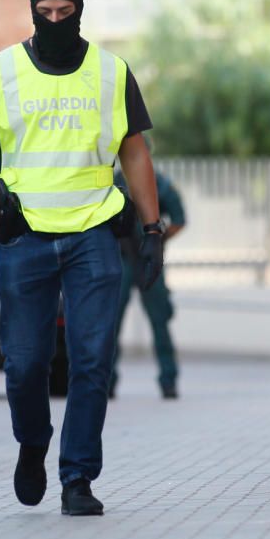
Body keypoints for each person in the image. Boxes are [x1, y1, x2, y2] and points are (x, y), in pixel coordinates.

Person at [0, 0, 162, 516]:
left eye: (64, 13)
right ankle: (33, 441)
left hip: (94, 233)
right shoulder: (0, 72)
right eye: (44, 14)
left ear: (79, 10)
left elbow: (135, 152)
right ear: (32, 11)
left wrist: (152, 228)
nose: (54, 22)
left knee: (92, 360)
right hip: (25, 238)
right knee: (25, 363)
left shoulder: (111, 72)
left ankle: (78, 477)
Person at [110, 167, 186, 399]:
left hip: (145, 261)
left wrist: (158, 240)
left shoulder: (158, 182)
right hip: (123, 258)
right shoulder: (113, 181)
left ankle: (168, 380)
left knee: (159, 322)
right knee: (110, 325)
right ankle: (106, 381)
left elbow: (179, 220)